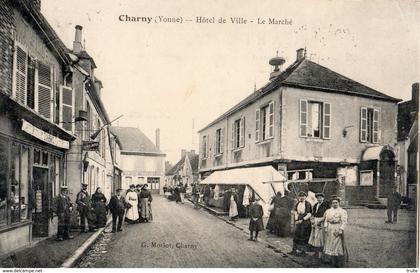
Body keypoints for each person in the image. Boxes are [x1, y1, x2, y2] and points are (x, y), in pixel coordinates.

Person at [323, 196, 348, 267]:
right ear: (331, 203)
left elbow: (344, 222)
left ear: (339, 203)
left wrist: (341, 229)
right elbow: (326, 220)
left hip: (337, 227)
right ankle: (329, 259)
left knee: (337, 244)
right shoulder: (328, 211)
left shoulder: (342, 211)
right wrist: (325, 227)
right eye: (333, 203)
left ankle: (337, 261)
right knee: (329, 243)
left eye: (336, 203)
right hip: (330, 228)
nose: (335, 204)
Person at [289, 191, 312, 256]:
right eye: (300, 196)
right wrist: (296, 219)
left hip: (305, 222)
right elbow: (295, 211)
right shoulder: (298, 203)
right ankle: (294, 250)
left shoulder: (308, 204)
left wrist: (302, 220)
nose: (301, 198)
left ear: (305, 197)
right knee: (296, 235)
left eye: (303, 196)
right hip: (298, 220)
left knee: (304, 236)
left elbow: (309, 214)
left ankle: (303, 252)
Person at [308, 193, 330, 258]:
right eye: (318, 198)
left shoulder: (326, 205)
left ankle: (322, 254)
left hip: (322, 221)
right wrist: (312, 220)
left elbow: (327, 214)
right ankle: (316, 253)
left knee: (321, 238)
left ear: (323, 198)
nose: (319, 199)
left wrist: (321, 221)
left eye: (321, 198)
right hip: (315, 221)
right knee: (315, 237)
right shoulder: (315, 205)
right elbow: (313, 213)